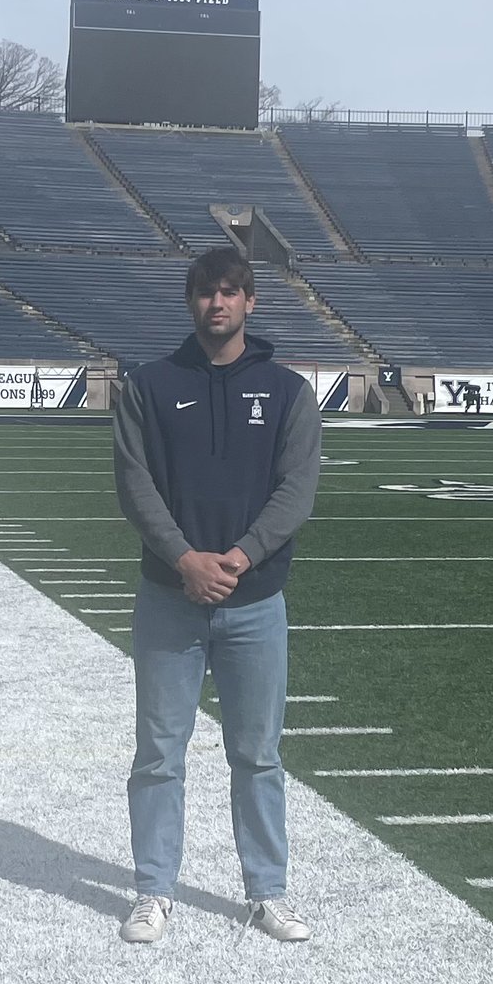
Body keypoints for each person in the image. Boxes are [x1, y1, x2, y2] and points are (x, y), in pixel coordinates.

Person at [112, 246, 322, 944]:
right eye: (206, 293)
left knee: (257, 753)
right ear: (190, 302)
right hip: (169, 600)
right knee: (158, 753)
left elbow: (296, 491)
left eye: (230, 292)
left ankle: (267, 891)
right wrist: (183, 559)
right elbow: (134, 486)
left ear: (250, 302)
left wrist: (235, 557)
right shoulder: (147, 385)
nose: (217, 304)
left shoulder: (288, 390)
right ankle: (152, 890)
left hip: (255, 600)